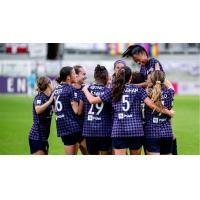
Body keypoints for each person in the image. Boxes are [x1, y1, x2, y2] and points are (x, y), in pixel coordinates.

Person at [111, 66, 175, 155]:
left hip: (118, 130)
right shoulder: (139, 90)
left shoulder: (112, 89)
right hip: (136, 129)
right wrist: (168, 112)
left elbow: (94, 100)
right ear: (130, 78)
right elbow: (152, 105)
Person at [81, 64, 112, 155]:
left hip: (89, 130)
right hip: (104, 130)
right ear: (106, 77)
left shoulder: (87, 89)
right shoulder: (108, 91)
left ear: (95, 77)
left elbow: (81, 110)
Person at [144, 70, 175, 155]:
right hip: (167, 133)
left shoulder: (146, 93)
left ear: (152, 80)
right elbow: (169, 85)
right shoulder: (170, 92)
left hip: (152, 132)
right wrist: (160, 77)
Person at [54, 66, 82, 155]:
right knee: (90, 152)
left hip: (62, 126)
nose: (76, 75)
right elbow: (77, 111)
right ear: (68, 77)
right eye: (74, 73)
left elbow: (54, 109)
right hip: (73, 127)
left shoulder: (56, 89)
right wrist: (82, 100)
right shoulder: (71, 89)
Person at [28, 76, 54, 155]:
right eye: (51, 82)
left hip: (44, 136)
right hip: (37, 136)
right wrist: (50, 101)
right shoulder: (40, 97)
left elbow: (55, 110)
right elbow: (38, 110)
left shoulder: (49, 97)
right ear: (48, 84)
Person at [73, 65, 88, 155]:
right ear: (76, 75)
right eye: (83, 74)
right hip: (74, 131)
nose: (85, 76)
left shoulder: (86, 89)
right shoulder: (69, 90)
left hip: (85, 130)